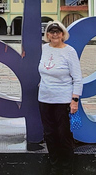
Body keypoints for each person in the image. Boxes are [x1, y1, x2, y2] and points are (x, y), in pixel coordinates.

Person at [38, 20, 82, 175]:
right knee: (49, 134)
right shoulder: (44, 49)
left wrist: (74, 100)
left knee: (63, 135)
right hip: (44, 99)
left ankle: (66, 169)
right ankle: (55, 167)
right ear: (47, 35)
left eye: (57, 32)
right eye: (51, 32)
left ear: (63, 34)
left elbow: (77, 78)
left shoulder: (69, 51)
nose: (54, 34)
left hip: (63, 101)